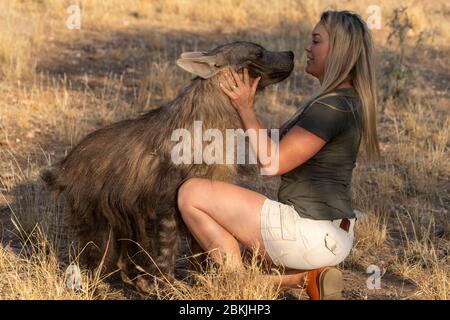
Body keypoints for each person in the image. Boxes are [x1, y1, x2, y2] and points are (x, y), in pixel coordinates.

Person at [176, 10, 380, 300]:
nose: (307, 48)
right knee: (231, 243)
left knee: (192, 193)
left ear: (339, 50)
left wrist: (246, 109)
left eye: (317, 41)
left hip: (307, 233)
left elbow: (273, 162)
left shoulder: (330, 108)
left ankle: (244, 283)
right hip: (331, 235)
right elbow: (273, 143)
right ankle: (306, 278)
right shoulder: (344, 101)